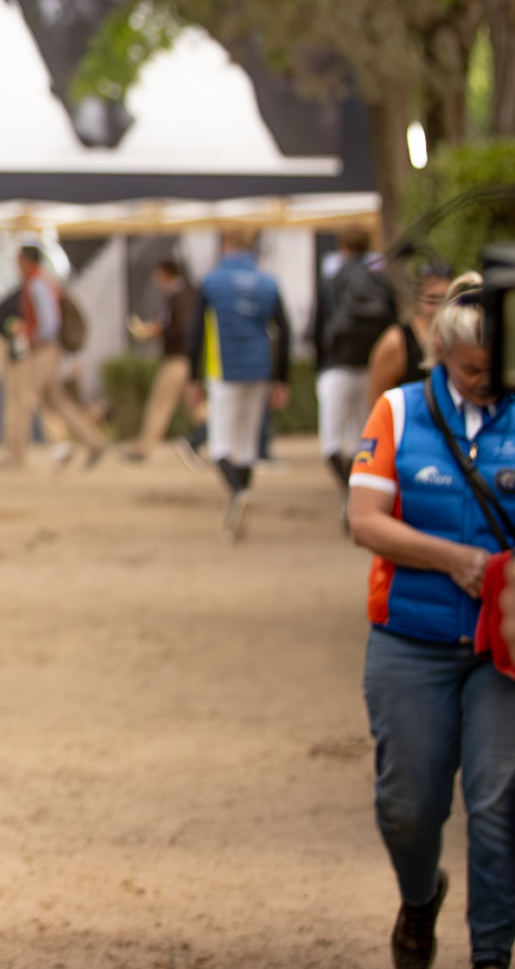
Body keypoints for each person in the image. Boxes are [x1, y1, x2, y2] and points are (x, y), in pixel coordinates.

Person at [348, 274, 515, 969]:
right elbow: (363, 522)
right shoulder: (396, 412)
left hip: (501, 648)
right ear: (441, 356)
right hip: (408, 640)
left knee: (497, 806)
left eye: (494, 369)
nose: (484, 382)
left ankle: (489, 955)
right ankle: (419, 898)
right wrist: (455, 560)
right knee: (406, 805)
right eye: (470, 370)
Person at [185, 227, 291, 516]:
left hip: (224, 371)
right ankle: (240, 497)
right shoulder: (268, 283)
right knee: (247, 444)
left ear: (226, 243)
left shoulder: (212, 282)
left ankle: (237, 494)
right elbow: (285, 331)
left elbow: (194, 333)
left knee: (221, 445)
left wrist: (192, 377)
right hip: (260, 369)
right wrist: (282, 378)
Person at [0, 244, 107, 470]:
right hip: (47, 349)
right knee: (58, 401)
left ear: (27, 261)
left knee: (23, 398)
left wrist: (28, 332)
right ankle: (94, 442)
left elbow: (49, 325)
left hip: (44, 349)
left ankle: (15, 453)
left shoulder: (38, 284)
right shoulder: (41, 282)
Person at [315, 227, 398, 491]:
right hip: (371, 368)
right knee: (362, 440)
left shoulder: (332, 278)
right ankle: (358, 490)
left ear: (343, 247)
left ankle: (350, 493)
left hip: (336, 367)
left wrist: (321, 366)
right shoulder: (381, 280)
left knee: (332, 444)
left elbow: (318, 327)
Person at [123, 258, 196, 463]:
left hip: (177, 359)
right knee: (194, 404)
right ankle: (219, 439)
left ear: (165, 273)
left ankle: (143, 449)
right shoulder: (187, 293)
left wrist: (158, 330)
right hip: (186, 357)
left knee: (159, 403)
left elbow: (180, 326)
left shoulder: (179, 296)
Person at [368, 262, 456, 404]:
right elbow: (376, 400)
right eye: (432, 298)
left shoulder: (456, 337)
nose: (437, 307)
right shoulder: (396, 341)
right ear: (419, 297)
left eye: (444, 298)